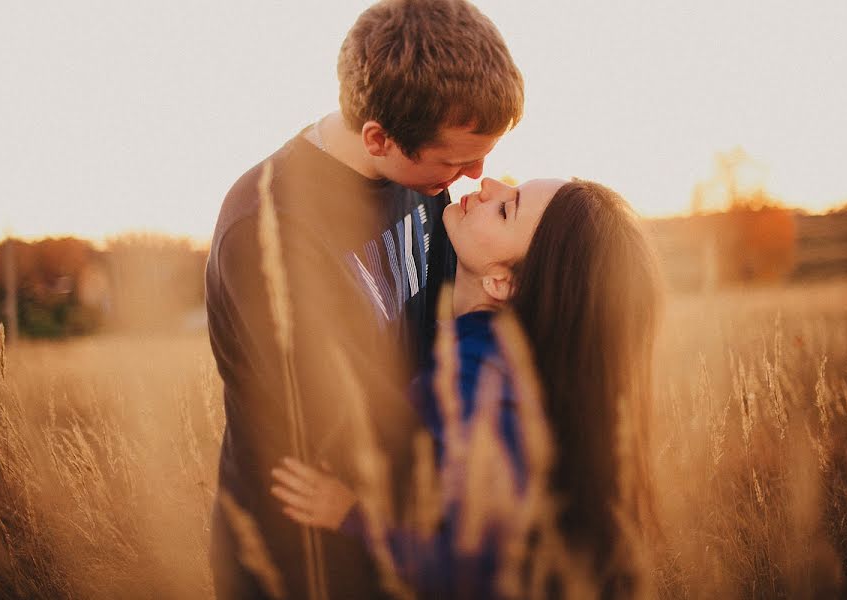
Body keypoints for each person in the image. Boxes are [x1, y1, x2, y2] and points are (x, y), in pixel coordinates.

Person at [205, 1, 524, 598]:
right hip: (307, 561)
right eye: (456, 159)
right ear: (378, 137)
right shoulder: (270, 229)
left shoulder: (424, 186)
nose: (476, 174)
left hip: (404, 547)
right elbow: (347, 423)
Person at [271, 177, 665, 598]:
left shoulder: (481, 373)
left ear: (502, 283)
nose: (488, 185)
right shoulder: (492, 353)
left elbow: (475, 567)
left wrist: (349, 514)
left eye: (505, 209)